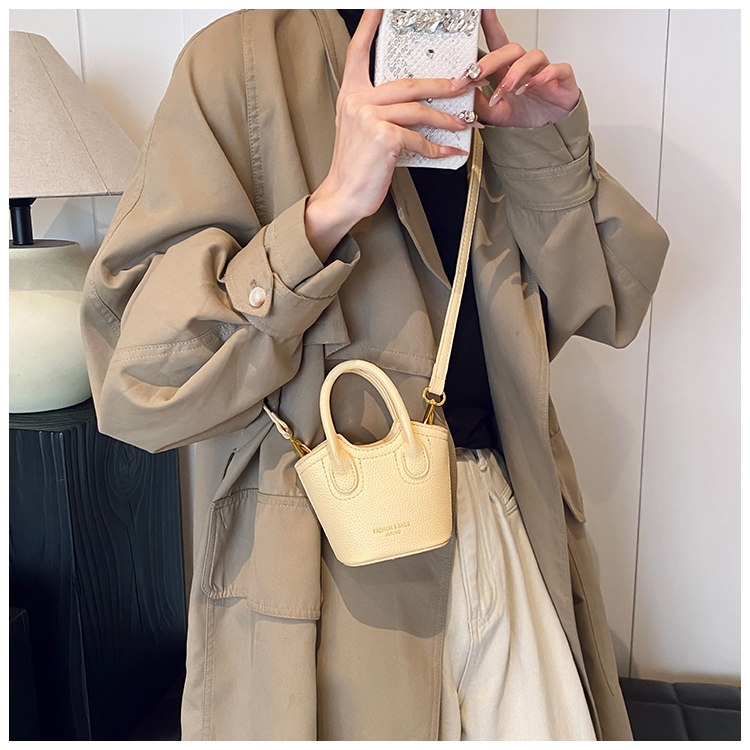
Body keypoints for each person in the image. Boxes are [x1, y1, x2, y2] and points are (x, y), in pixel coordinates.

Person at [80, 9, 668, 741]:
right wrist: (327, 212)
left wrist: (543, 147)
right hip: (330, 558)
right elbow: (141, 386)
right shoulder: (241, 60)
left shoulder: (480, 66)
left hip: (507, 520)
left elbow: (607, 303)